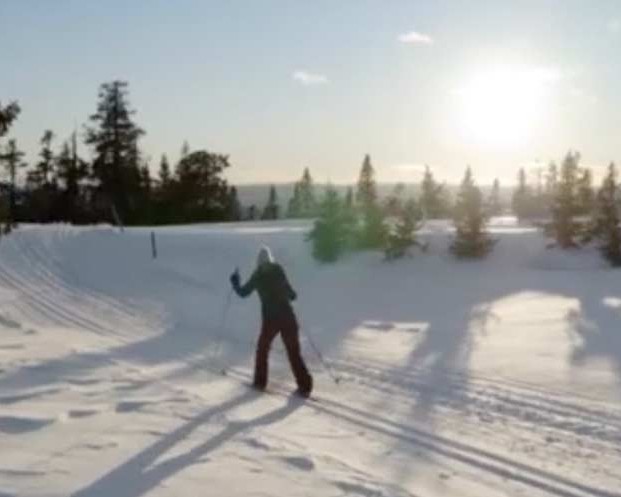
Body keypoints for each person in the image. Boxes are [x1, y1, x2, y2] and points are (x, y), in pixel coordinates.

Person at [230, 246, 313, 397]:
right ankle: (305, 385)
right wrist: (292, 295)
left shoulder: (258, 275)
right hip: (288, 317)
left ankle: (260, 382)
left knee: (263, 349)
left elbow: (243, 293)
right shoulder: (278, 269)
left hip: (271, 320)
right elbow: (289, 291)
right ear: (270, 258)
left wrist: (235, 282)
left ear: (258, 261)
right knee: (293, 352)